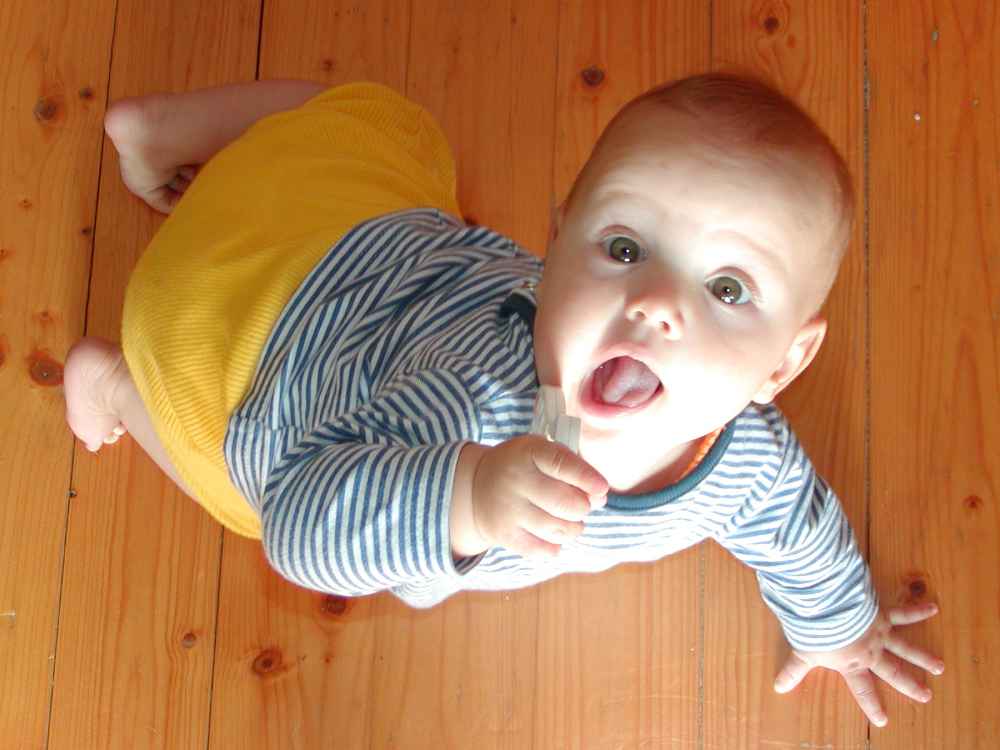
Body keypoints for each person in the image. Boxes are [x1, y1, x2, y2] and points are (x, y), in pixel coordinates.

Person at [64, 73, 944, 726]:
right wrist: (466, 494)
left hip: (341, 208)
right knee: (243, 491)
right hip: (229, 339)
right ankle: (113, 383)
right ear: (556, 244)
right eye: (625, 248)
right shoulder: (469, 409)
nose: (655, 304)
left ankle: (160, 131)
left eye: (727, 289)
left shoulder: (749, 460)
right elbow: (302, 524)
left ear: (784, 364)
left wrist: (838, 625)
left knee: (382, 120)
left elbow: (794, 526)